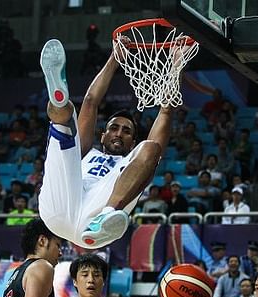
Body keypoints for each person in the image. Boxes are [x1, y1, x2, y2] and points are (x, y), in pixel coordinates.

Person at [38, 38, 175, 249]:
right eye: (113, 128)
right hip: (60, 204)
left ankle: (107, 215)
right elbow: (91, 101)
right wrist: (114, 58)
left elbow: (166, 111)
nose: (119, 133)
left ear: (132, 142)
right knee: (66, 121)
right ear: (102, 135)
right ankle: (58, 99)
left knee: (151, 149)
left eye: (126, 131)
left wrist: (176, 66)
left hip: (95, 222)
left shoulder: (133, 161)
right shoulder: (86, 152)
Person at [2, 219, 62, 297]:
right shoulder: (42, 266)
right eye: (57, 245)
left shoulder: (17, 273)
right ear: (42, 241)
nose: (60, 252)